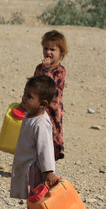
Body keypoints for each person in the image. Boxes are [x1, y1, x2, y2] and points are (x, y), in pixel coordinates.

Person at [11, 75, 61, 209]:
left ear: (43, 103)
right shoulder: (29, 115)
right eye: (24, 94)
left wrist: (49, 171)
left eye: (29, 96)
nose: (24, 98)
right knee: (31, 199)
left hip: (34, 168)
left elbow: (45, 148)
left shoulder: (40, 123)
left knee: (35, 199)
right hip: (26, 165)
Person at [33, 30, 67, 161]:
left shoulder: (60, 70)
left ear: (61, 52)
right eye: (45, 48)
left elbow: (50, 87)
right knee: (36, 135)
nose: (48, 52)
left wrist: (47, 70)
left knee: (50, 137)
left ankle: (48, 166)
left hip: (52, 110)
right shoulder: (39, 68)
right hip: (38, 107)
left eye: (52, 49)